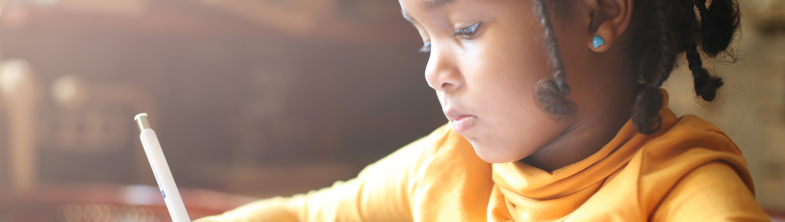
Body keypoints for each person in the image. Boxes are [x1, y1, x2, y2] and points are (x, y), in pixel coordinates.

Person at [195, 0, 771, 220]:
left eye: (465, 30)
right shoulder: (446, 169)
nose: (432, 71)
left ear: (599, 15)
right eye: (425, 40)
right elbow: (303, 217)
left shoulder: (683, 193)